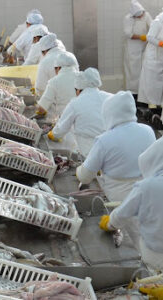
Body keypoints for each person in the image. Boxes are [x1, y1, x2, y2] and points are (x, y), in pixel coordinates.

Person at [76, 91, 156, 204]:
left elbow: (85, 177)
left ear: (109, 113)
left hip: (117, 200)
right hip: (147, 196)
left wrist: (79, 170)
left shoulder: (104, 140)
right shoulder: (148, 131)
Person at [99, 137, 163, 273]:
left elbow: (123, 213)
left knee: (148, 280)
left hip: (155, 256)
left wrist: (110, 223)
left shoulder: (147, 186)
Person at [47, 68, 112, 157]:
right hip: (112, 149)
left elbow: (61, 129)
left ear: (78, 89)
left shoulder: (75, 103)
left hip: (89, 152)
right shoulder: (110, 98)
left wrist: (53, 134)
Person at [35, 52, 79, 122]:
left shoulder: (54, 81)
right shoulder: (83, 78)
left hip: (65, 122)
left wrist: (35, 109)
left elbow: (42, 108)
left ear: (58, 68)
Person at [123, 0, 151, 98]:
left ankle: (142, 94)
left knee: (143, 71)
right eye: (139, 16)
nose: (141, 17)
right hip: (132, 49)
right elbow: (128, 34)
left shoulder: (146, 15)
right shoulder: (128, 18)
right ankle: (133, 95)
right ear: (134, 15)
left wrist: (151, 37)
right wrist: (141, 37)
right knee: (133, 72)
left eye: (141, 15)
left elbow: (152, 27)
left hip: (144, 48)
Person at [138, 9, 163, 116]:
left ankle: (158, 109)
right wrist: (161, 43)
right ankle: (153, 110)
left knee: (159, 86)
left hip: (160, 56)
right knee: (152, 85)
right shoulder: (157, 22)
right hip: (153, 58)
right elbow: (149, 37)